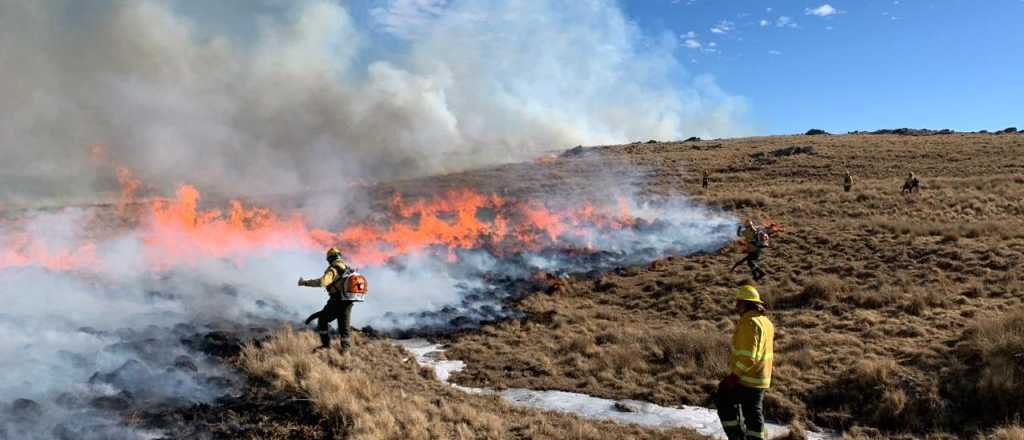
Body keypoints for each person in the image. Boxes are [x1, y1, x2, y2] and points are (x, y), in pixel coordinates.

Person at [716, 285, 775, 440]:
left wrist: (734, 376)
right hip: (761, 377)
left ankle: (737, 437)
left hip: (748, 378)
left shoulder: (750, 323)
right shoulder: (765, 322)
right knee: (753, 413)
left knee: (724, 399)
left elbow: (749, 356)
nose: (736, 306)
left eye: (739, 302)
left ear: (746, 304)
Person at [299, 247, 356, 353]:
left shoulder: (333, 269)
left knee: (322, 319)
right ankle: (346, 352)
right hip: (348, 301)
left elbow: (322, 282)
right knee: (344, 327)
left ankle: (326, 346)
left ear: (330, 258)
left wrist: (305, 283)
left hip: (337, 300)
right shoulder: (346, 268)